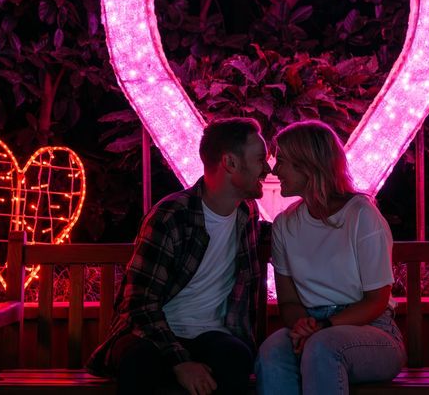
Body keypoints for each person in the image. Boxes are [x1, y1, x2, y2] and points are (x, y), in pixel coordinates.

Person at [87, 117, 271, 395]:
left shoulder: (248, 214)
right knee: (138, 362)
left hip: (211, 334)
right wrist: (180, 361)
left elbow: (282, 235)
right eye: (260, 159)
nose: (267, 168)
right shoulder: (172, 216)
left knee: (236, 357)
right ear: (230, 163)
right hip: (151, 333)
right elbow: (138, 303)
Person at [255, 120, 405, 395]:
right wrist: (304, 325)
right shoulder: (285, 225)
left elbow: (376, 300)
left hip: (372, 331)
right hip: (312, 326)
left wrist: (323, 328)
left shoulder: (361, 215)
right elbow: (289, 302)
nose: (275, 170)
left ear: (308, 164)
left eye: (282, 161)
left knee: (322, 348)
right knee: (271, 352)